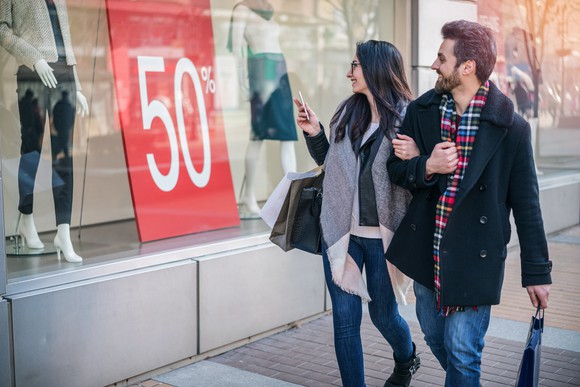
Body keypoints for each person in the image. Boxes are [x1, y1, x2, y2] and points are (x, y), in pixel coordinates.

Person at [386, 20, 552, 386]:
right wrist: (426, 164)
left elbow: (527, 204)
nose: (434, 65)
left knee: (462, 351)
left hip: (476, 257)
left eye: (441, 58)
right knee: (435, 336)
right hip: (427, 251)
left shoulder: (511, 128)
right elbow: (395, 170)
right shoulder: (422, 111)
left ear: (468, 67)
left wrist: (537, 272)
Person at [294, 40, 420, 387]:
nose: (349, 72)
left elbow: (419, 176)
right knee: (345, 320)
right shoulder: (349, 112)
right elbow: (331, 167)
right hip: (342, 232)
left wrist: (416, 157)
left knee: (383, 314)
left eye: (355, 66)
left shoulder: (410, 118)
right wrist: (315, 132)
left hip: (383, 238)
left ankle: (406, 357)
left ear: (376, 69)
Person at [0, 0, 89, 262]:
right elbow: (2, 28)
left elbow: (65, 37)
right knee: (32, 149)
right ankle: (26, 220)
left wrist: (77, 83)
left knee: (64, 154)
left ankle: (64, 231)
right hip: (32, 74)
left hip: (64, 75)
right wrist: (34, 58)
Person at [227, 0, 297, 217]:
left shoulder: (267, 11)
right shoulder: (242, 10)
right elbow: (237, 49)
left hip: (279, 70)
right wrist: (242, 83)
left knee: (287, 134)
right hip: (260, 69)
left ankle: (293, 198)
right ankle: (248, 196)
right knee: (257, 134)